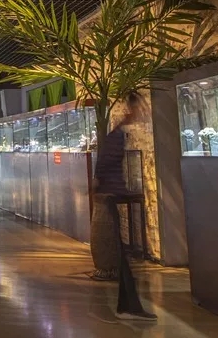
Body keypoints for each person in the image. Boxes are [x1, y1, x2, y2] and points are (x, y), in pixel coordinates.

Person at [93, 92, 157, 321]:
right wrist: (109, 188)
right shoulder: (116, 136)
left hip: (110, 194)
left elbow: (103, 166)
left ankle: (127, 304)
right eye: (139, 108)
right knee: (121, 256)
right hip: (110, 196)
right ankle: (130, 305)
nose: (142, 113)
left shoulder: (116, 134)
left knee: (123, 258)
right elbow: (104, 165)